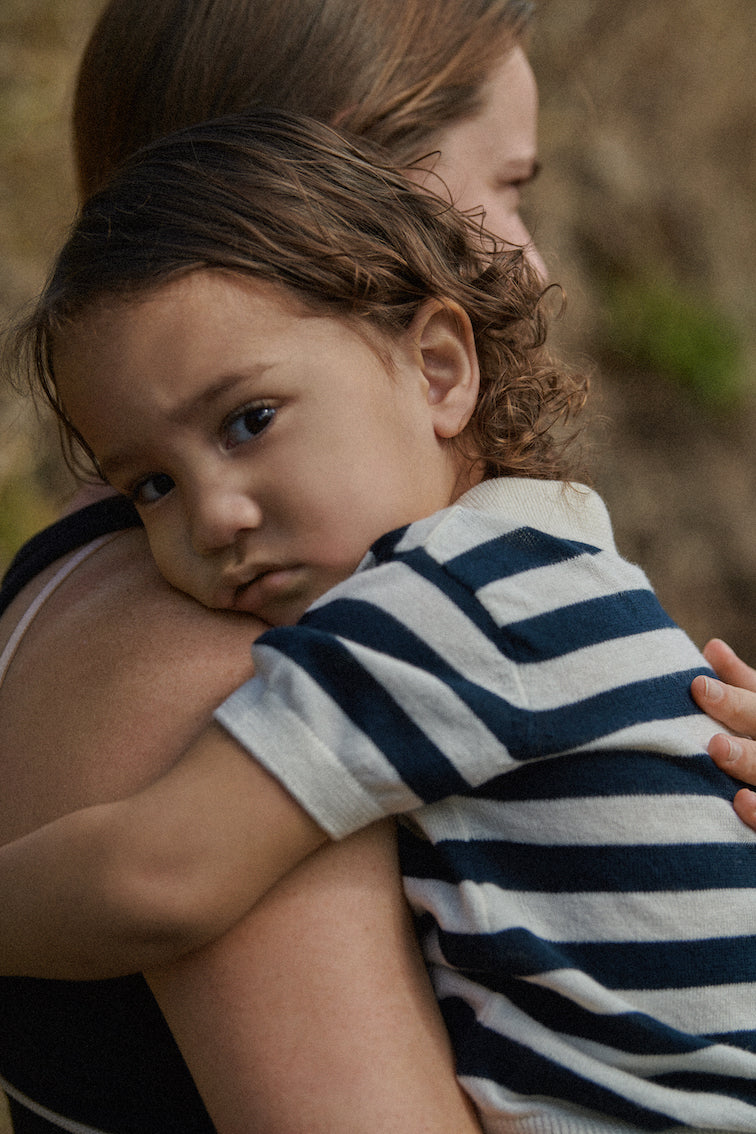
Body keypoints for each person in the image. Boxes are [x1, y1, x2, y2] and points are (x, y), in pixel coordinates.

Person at [3, 108, 756, 1133]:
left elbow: (161, 877)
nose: (214, 516)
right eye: (149, 487)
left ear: (438, 368)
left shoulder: (452, 602)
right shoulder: (549, 562)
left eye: (250, 421)